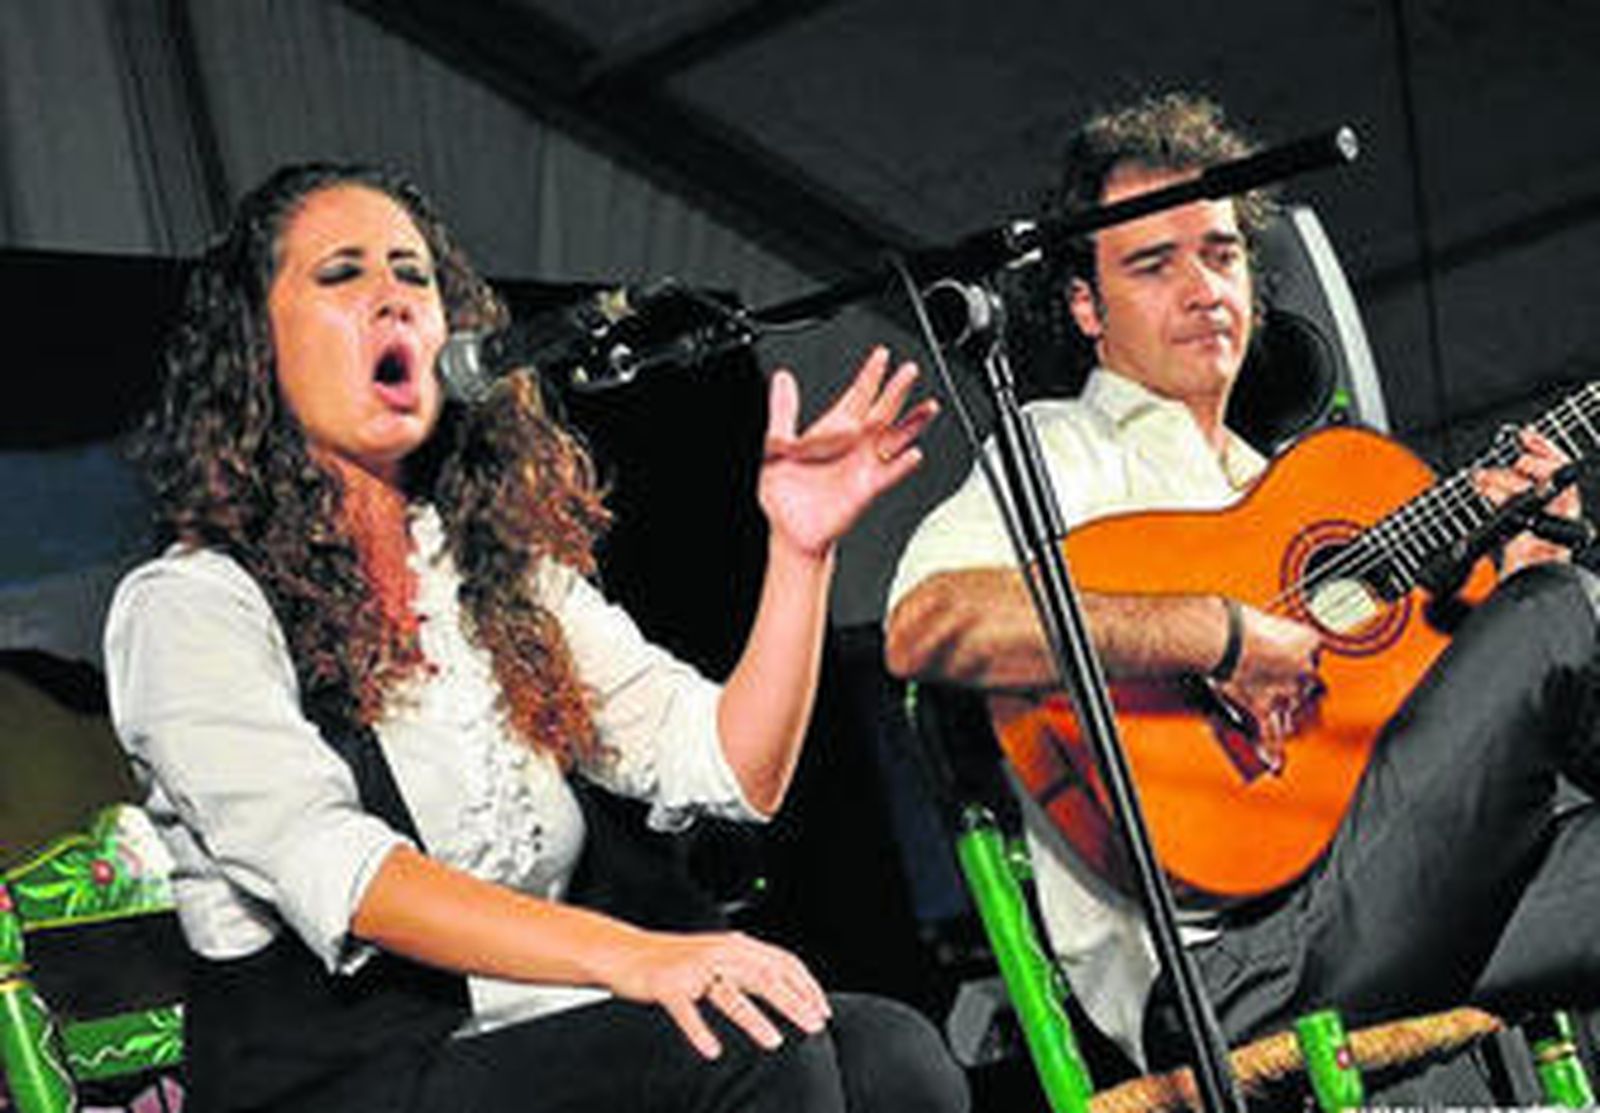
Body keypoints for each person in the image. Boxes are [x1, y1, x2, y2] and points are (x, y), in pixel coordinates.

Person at [104, 161, 970, 1113]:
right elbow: (344, 874)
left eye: (413, 275)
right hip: (340, 1085)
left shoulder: (491, 576)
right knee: (754, 1053)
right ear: (255, 345)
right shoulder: (190, 606)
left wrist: (801, 553)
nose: (395, 299)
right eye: (343, 275)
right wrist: (636, 956)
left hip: (533, 1041)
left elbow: (731, 766)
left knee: (893, 1056)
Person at [884, 92, 1600, 1070]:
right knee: (1558, 615)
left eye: (1221, 255)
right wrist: (1219, 635)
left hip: (1389, 896)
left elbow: (1411, 750)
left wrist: (1518, 575)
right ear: (1086, 305)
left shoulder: (1294, 488)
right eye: (1153, 264)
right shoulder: (1061, 448)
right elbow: (926, 624)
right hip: (1225, 974)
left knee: (1549, 598)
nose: (1202, 289)